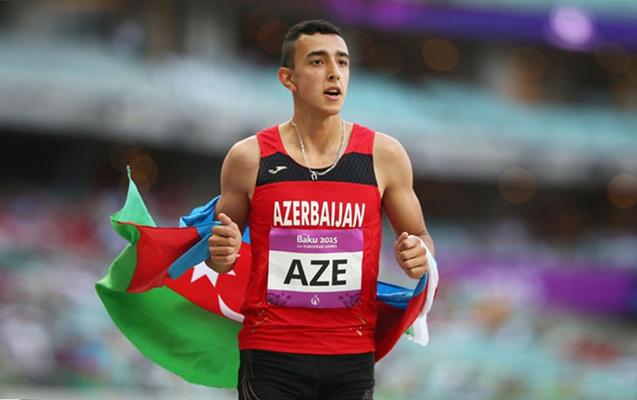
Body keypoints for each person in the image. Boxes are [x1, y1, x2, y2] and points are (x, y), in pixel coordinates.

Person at [205, 19, 435, 400]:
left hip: (351, 355)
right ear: (288, 78)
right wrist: (221, 254)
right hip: (271, 354)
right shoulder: (248, 158)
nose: (334, 73)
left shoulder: (384, 155)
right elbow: (218, 257)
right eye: (317, 61)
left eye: (342, 62)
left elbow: (423, 239)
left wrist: (419, 255)